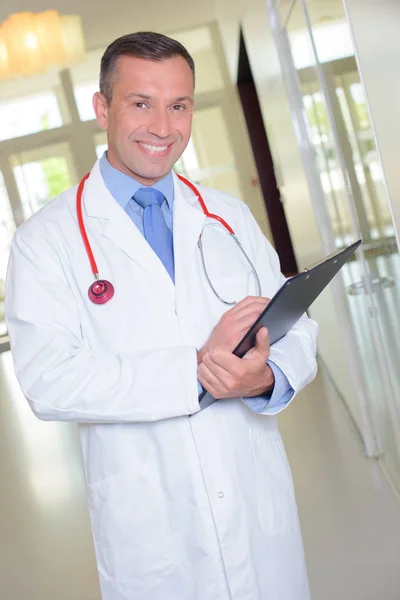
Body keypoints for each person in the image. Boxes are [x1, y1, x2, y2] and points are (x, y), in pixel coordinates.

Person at [5, 31, 318, 600]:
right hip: (154, 530)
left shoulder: (227, 216)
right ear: (102, 108)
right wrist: (196, 369)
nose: (163, 126)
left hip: (255, 511)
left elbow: (296, 328)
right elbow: (48, 380)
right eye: (141, 103)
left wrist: (267, 376)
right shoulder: (44, 240)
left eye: (179, 105)